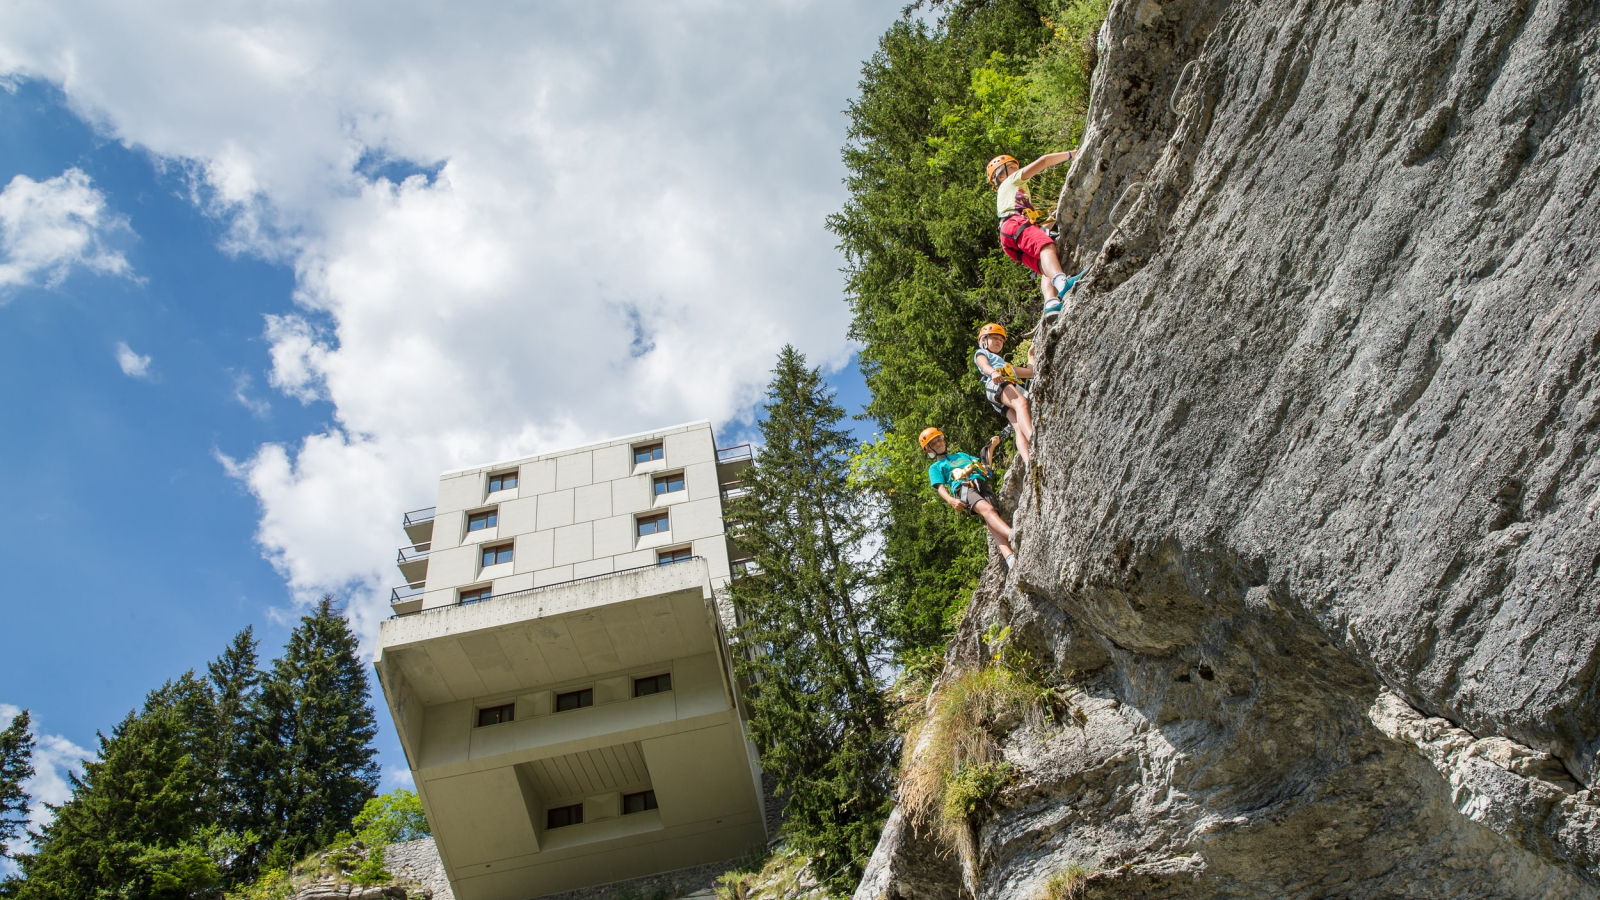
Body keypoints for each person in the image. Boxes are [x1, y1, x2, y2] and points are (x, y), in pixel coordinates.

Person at [988, 151, 1079, 316]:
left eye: (1017, 166)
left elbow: (1038, 228)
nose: (1018, 169)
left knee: (1045, 265)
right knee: (1046, 247)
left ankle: (1051, 302)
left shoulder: (1011, 197)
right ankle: (1062, 283)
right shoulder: (1011, 180)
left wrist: (1055, 216)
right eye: (1011, 167)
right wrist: (1073, 154)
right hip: (1014, 224)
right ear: (1001, 176)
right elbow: (1044, 161)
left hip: (1009, 236)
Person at [920, 427, 1016, 569]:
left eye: (939, 440)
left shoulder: (960, 455)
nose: (938, 444)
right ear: (929, 450)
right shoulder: (936, 467)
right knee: (988, 510)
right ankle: (1014, 535)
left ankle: (1009, 557)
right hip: (963, 488)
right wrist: (951, 500)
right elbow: (940, 487)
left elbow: (985, 467)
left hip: (981, 483)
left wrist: (992, 447)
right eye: (933, 443)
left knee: (992, 517)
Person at [974, 323, 1034, 466]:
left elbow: (1030, 372)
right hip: (996, 383)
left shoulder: (1004, 365)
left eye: (1001, 340)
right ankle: (1034, 439)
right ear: (984, 340)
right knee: (1021, 403)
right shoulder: (982, 353)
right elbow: (984, 365)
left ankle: (1029, 461)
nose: (998, 342)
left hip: (998, 390)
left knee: (1018, 426)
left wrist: (1030, 355)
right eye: (994, 338)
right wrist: (994, 372)